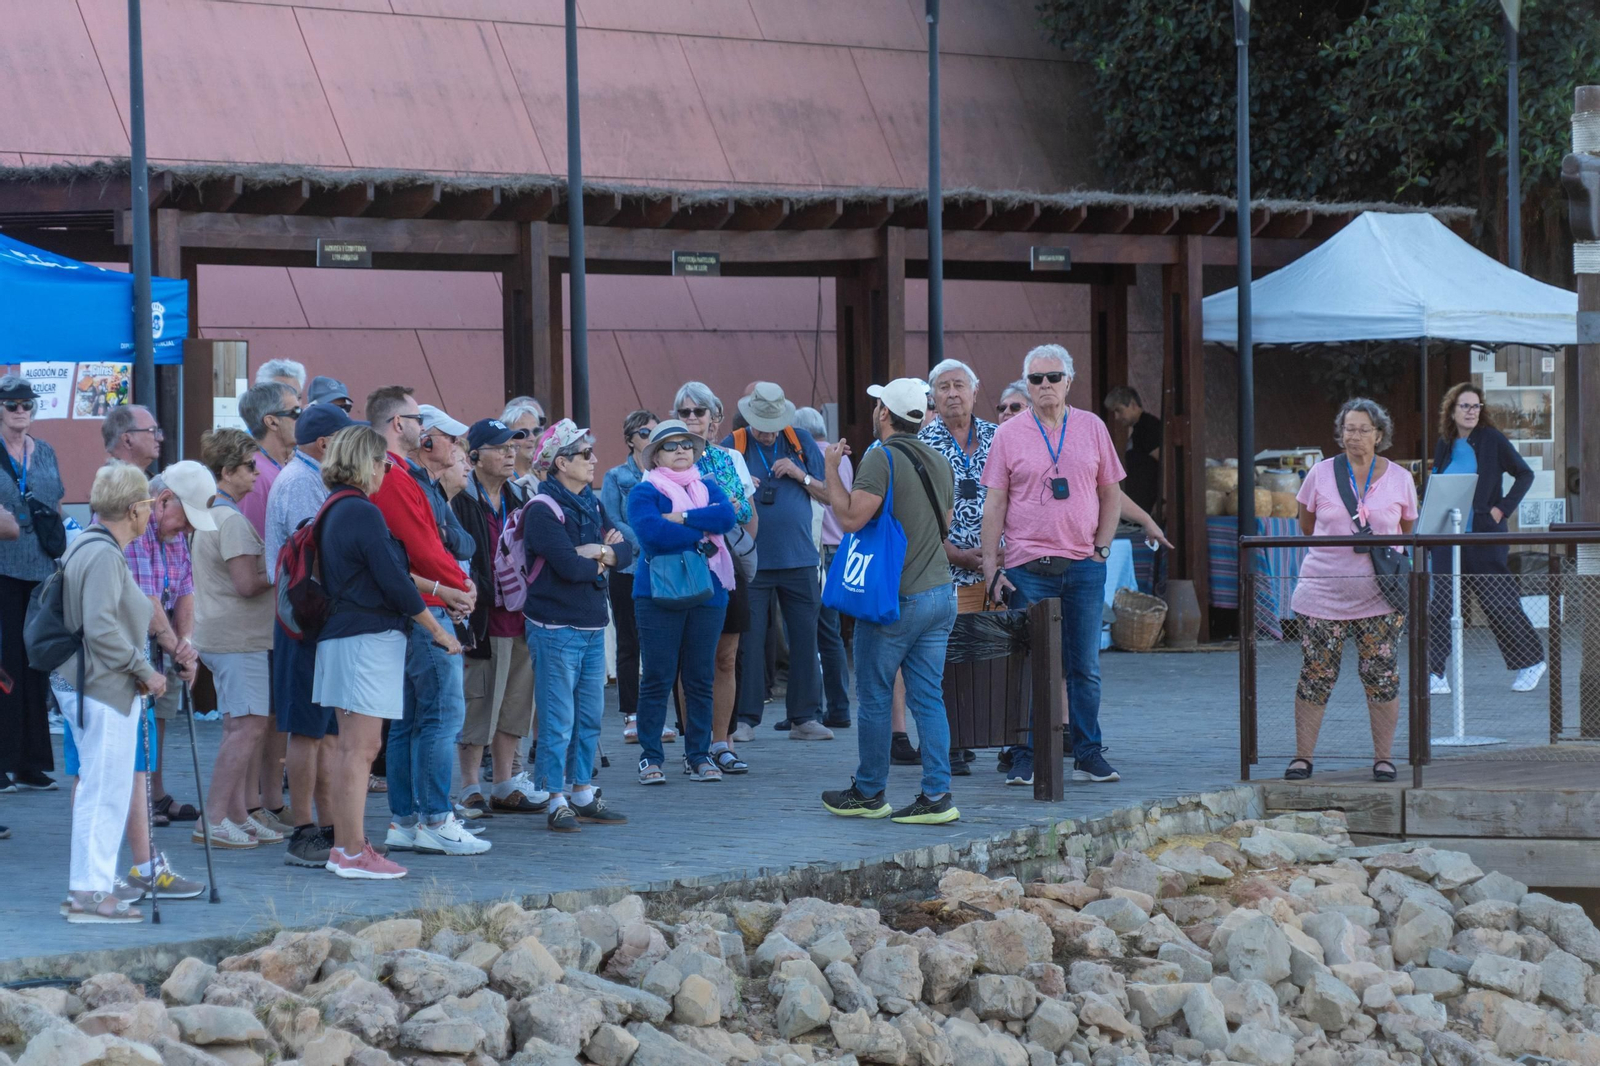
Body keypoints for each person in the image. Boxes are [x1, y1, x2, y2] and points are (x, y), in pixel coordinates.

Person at [314, 426, 462, 878]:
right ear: (366, 462)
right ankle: (355, 851)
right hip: (365, 637)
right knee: (360, 749)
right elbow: (394, 580)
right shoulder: (360, 511)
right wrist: (438, 630)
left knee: (349, 748)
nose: (386, 470)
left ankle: (346, 848)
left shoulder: (336, 508)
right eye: (382, 462)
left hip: (344, 636)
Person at [982, 345, 1124, 788]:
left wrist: (1101, 550)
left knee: (1084, 666)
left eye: (1053, 377)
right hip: (1026, 566)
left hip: (1083, 565)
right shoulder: (1008, 435)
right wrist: (991, 568)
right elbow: (995, 503)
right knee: (1030, 666)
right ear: (1027, 384)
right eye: (1037, 378)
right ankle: (1024, 755)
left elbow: (1111, 493)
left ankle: (1087, 753)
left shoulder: (1093, 427)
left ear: (1069, 381)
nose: (1045, 385)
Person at [821, 379, 961, 824]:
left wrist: (829, 468)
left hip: (896, 599)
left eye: (877, 404)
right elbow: (946, 526)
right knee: (929, 697)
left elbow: (848, 518)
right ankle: (937, 796)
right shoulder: (938, 459)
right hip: (941, 593)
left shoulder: (880, 458)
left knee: (876, 694)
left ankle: (868, 792)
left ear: (884, 413)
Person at [365, 387, 482, 856]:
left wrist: (453, 584)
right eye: (417, 418)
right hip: (423, 607)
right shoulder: (393, 475)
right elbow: (423, 546)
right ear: (398, 424)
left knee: (414, 718)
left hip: (420, 602)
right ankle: (433, 817)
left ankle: (406, 820)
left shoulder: (396, 473)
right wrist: (458, 586)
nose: (425, 429)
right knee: (439, 716)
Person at [55, 463, 168, 921]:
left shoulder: (87, 545)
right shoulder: (104, 554)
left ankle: (86, 890)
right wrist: (145, 670)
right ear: (133, 508)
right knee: (107, 793)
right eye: (147, 506)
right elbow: (100, 627)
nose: (150, 515)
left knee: (96, 792)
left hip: (85, 684)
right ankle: (92, 893)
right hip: (104, 687)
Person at [1284, 398, 1417, 783]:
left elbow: (1406, 532)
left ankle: (1383, 758)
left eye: (1362, 429)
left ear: (1379, 434)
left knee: (1382, 675)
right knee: (1315, 674)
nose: (1354, 436)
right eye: (1348, 429)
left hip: (1379, 598)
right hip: (1322, 595)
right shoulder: (1320, 474)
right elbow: (1307, 526)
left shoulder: (1400, 478)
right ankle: (1302, 757)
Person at [522, 420, 630, 831]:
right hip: (555, 628)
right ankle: (554, 798)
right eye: (585, 454)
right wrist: (605, 558)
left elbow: (629, 550)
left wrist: (596, 552)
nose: (594, 460)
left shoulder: (591, 502)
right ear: (561, 462)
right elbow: (567, 566)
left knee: (590, 715)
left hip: (590, 624)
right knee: (557, 718)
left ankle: (582, 791)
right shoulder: (541, 510)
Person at [264, 402, 356, 867]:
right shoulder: (303, 482)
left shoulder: (307, 477)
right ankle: (303, 829)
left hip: (317, 620)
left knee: (327, 731)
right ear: (325, 445)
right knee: (307, 730)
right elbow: (317, 558)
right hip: (304, 622)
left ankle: (329, 825)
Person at [627, 420, 736, 785]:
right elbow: (653, 533)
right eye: (671, 446)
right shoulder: (644, 493)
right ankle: (650, 756)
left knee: (700, 677)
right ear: (655, 455)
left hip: (709, 592)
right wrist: (702, 535)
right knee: (658, 677)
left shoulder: (708, 486)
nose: (681, 451)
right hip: (658, 594)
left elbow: (726, 516)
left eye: (686, 445)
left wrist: (685, 517)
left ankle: (699, 755)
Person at [723, 383, 832, 741]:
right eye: (760, 425)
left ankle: (805, 717)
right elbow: (714, 496)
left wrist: (799, 474)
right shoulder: (733, 445)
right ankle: (745, 719)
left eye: (772, 425)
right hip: (751, 561)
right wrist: (741, 490)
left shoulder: (800, 440)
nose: (766, 433)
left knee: (805, 637)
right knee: (749, 641)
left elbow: (829, 494)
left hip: (799, 558)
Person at [192, 428, 283, 849]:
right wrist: (286, 568)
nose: (255, 474)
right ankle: (211, 821)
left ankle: (236, 815)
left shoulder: (211, 513)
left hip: (223, 634)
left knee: (239, 725)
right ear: (227, 471)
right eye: (250, 467)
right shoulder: (229, 519)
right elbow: (247, 584)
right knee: (246, 729)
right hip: (238, 638)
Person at [451, 417, 544, 814]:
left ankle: (505, 782)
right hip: (482, 617)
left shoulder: (520, 496)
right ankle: (470, 785)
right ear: (475, 456)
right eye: (501, 447)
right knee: (479, 703)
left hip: (521, 615)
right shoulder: (459, 498)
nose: (510, 453)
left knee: (516, 704)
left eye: (513, 446)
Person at [1428, 382, 1545, 694]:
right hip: (1446, 534)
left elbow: (1525, 474)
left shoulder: (1491, 439)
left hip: (1482, 534)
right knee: (1440, 603)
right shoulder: (1445, 442)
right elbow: (1439, 481)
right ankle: (1436, 672)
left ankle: (1530, 662)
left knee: (1498, 601)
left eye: (1476, 406)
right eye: (1465, 406)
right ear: (1451, 411)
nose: (1471, 411)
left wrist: (1501, 510)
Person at [673, 383, 757, 774]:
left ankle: (722, 743)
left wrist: (733, 541)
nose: (691, 419)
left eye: (699, 412)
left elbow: (746, 516)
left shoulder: (731, 459)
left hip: (728, 563)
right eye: (684, 412)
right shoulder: (666, 460)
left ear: (714, 418)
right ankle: (695, 748)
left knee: (725, 658)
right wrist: (721, 512)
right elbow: (664, 516)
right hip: (684, 566)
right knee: (690, 661)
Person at [126, 463, 212, 824]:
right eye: (187, 517)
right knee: (134, 722)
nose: (190, 528)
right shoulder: (136, 527)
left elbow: (186, 592)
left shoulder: (175, 537)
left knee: (156, 716)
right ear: (162, 501)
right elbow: (148, 601)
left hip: (159, 643)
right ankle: (138, 802)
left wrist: (187, 643)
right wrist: (177, 647)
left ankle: (154, 795)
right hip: (126, 644)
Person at [0, 375, 65, 792]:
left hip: (41, 569)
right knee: (5, 667)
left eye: (28, 404)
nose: (21, 410)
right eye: (12, 405)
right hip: (3, 569)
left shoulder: (46, 452)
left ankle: (30, 761)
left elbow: (56, 499)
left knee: (35, 665)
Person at [601, 410, 675, 744]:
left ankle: (655, 715)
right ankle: (631, 714)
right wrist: (647, 537)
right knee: (629, 640)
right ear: (630, 438)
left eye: (654, 433)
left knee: (659, 642)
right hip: (629, 566)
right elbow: (613, 518)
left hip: (664, 564)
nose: (650, 438)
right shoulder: (616, 476)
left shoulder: (669, 473)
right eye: (644, 433)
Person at [792, 407, 856, 732]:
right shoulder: (840, 455)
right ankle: (840, 706)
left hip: (818, 550)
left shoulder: (804, 456)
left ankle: (813, 709)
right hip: (842, 547)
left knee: (814, 632)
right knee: (832, 634)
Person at [235, 381, 301, 539]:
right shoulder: (255, 474)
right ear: (271, 422)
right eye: (296, 413)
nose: (303, 419)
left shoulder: (280, 463)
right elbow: (256, 548)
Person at [415, 405, 477, 566]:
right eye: (450, 437)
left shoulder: (432, 488)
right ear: (426, 442)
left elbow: (468, 546)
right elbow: (427, 554)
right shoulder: (412, 486)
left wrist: (444, 534)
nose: (456, 442)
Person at [1102, 386, 1162, 515]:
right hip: (1141, 507)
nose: (1117, 417)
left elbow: (1166, 464)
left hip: (1151, 507)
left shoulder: (1148, 427)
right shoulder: (1139, 429)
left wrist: (1163, 501)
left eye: (1119, 410)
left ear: (1133, 405)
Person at [103, 404, 164, 472]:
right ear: (127, 441)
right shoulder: (111, 481)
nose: (160, 438)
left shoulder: (150, 480)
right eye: (152, 431)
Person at [503, 397, 547, 483]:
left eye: (536, 432)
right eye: (524, 433)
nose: (532, 438)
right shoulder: (501, 478)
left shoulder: (549, 473)